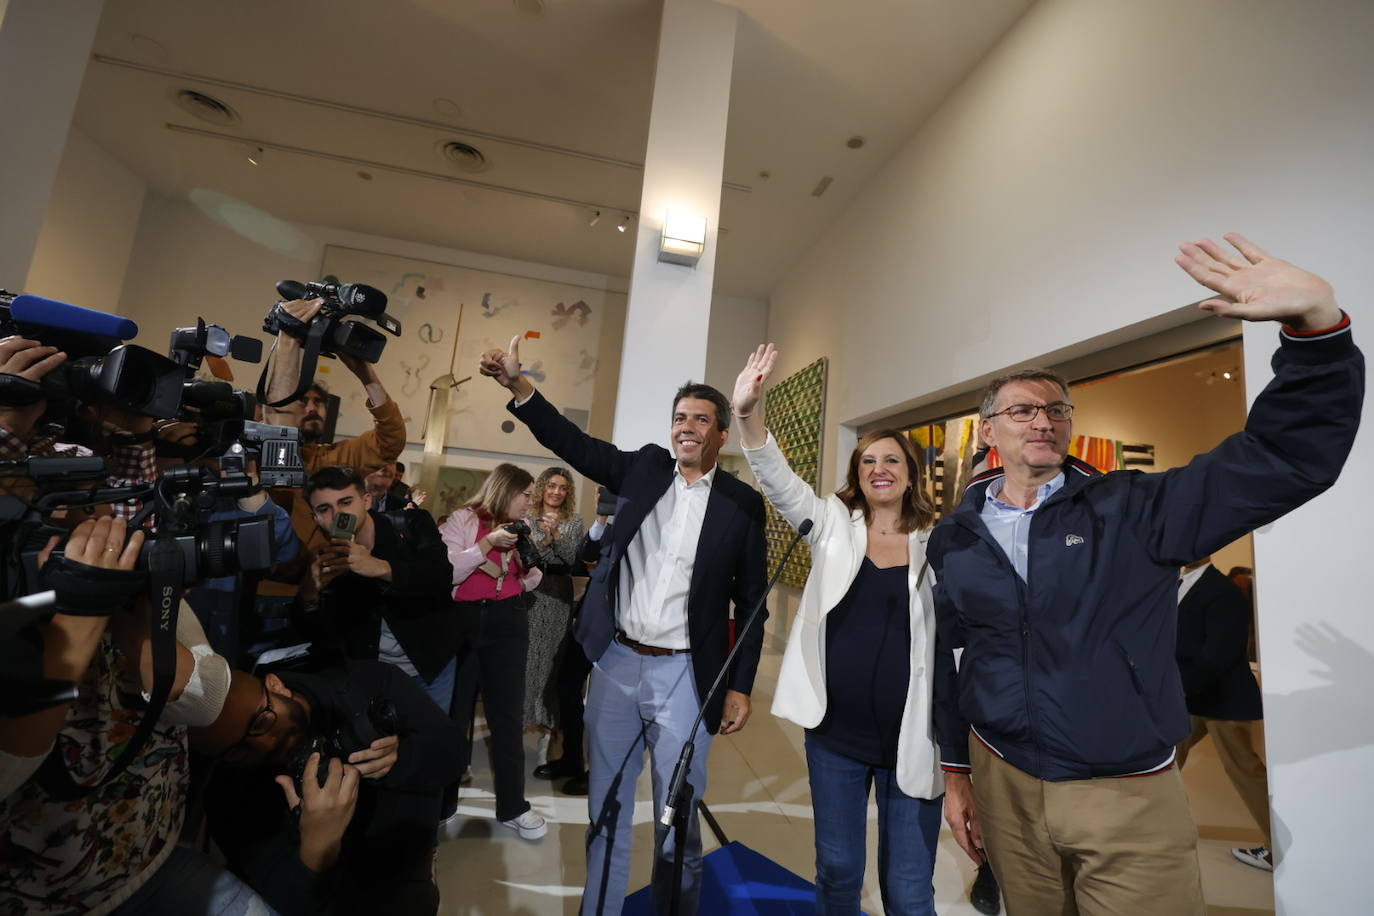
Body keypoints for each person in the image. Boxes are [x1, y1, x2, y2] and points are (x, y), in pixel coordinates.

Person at [931, 233, 1363, 915]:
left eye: (1057, 410)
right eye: (1022, 410)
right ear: (988, 431)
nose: (1042, 420)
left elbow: (1281, 460)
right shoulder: (955, 536)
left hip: (1125, 791)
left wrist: (1315, 332)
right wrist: (957, 772)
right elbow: (954, 658)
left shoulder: (1132, 510)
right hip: (1002, 778)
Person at [479, 339, 769, 916]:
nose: (686, 427)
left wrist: (739, 684)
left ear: (720, 435)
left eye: (700, 420)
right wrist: (519, 387)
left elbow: (752, 601)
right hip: (615, 665)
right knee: (605, 811)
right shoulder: (642, 468)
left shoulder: (741, 504)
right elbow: (570, 441)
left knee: (676, 819)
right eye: (680, 417)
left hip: (687, 675)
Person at [733, 344, 944, 915]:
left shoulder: (940, 542)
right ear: (857, 472)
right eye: (868, 460)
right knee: (838, 870)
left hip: (914, 739)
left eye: (892, 461)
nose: (879, 468)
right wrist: (748, 414)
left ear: (910, 475)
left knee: (907, 889)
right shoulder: (830, 523)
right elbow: (776, 479)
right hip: (836, 739)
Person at [1, 517, 267, 916]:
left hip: (155, 857)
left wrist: (137, 611)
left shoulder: (121, 573)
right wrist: (79, 614)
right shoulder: (13, 611)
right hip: (49, 899)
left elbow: (206, 701)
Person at [196, 659, 462, 915]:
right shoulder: (227, 792)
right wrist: (316, 846)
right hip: (337, 896)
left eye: (261, 722)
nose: (265, 743)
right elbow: (288, 901)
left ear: (275, 685)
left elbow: (453, 757)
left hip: (402, 868)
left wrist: (401, 756)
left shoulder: (367, 682)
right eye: (239, 750)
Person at [437, 463, 546, 840]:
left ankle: (513, 806)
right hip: (462, 621)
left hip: (509, 621)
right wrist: (486, 544)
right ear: (505, 490)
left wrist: (527, 564)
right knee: (456, 714)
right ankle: (443, 803)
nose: (530, 502)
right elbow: (446, 570)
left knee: (507, 717)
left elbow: (530, 580)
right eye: (526, 494)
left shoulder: (523, 529)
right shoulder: (463, 519)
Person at [299, 466, 457, 713]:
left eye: (346, 502)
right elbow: (322, 640)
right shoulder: (322, 561)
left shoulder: (412, 523)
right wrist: (310, 595)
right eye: (324, 509)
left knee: (429, 743)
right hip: (371, 676)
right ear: (315, 518)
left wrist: (381, 568)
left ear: (366, 501)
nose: (338, 514)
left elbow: (440, 577)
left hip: (429, 666)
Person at [1175, 556, 1272, 871]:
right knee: (1164, 762)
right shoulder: (1175, 584)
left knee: (1246, 772)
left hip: (1222, 699)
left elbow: (1220, 653)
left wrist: (1182, 686)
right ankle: (1157, 830)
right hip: (1193, 698)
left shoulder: (1223, 591)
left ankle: (1279, 847)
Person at [522, 467, 587, 763]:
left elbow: (573, 559)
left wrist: (556, 537)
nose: (557, 492)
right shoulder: (526, 518)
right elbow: (528, 556)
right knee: (526, 662)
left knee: (551, 663)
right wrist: (547, 545)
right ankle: (522, 726)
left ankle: (549, 730)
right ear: (542, 489)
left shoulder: (574, 522)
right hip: (531, 594)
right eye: (551, 486)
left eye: (562, 488)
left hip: (559, 596)